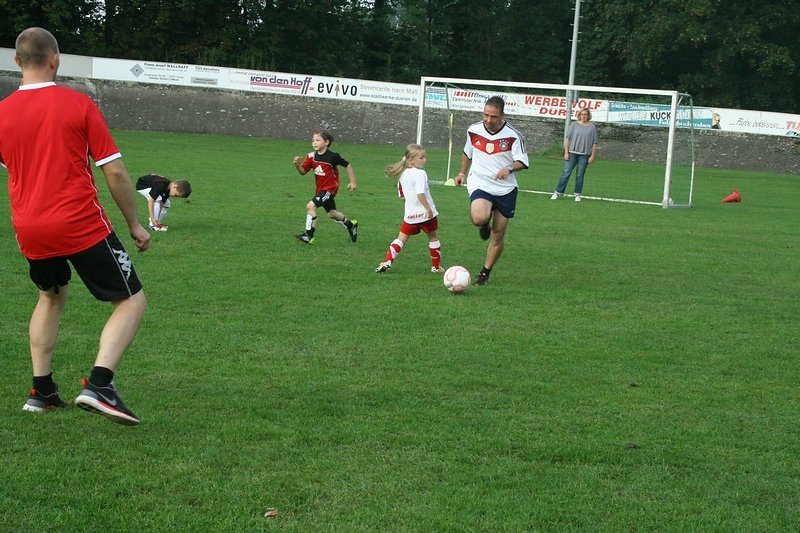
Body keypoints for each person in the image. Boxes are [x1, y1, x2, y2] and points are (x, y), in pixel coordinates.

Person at [0, 27, 150, 425]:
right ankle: (100, 384)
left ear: (17, 61)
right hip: (78, 222)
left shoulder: (1, 114)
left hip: (30, 227)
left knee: (50, 296)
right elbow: (114, 171)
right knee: (132, 300)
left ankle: (42, 391)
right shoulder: (78, 104)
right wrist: (135, 224)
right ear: (55, 59)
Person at [454, 96, 529, 286]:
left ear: (502, 115)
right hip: (481, 183)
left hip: (505, 189)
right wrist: (462, 172)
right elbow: (467, 153)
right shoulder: (473, 130)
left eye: (493, 116)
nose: (488, 119)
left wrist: (509, 168)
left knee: (498, 234)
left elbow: (522, 161)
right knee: (479, 218)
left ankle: (484, 273)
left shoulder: (514, 136)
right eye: (486, 115)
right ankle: (483, 222)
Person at [376, 144, 443, 274]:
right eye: (421, 157)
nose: (425, 160)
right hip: (426, 214)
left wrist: (412, 201)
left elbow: (402, 196)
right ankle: (435, 267)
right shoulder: (421, 173)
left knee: (401, 238)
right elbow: (420, 193)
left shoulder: (403, 175)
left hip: (410, 215)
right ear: (411, 160)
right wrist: (428, 209)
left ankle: (387, 261)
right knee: (433, 237)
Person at [292, 130, 358, 245]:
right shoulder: (311, 156)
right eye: (313, 140)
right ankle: (351, 225)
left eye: (318, 140)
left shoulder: (333, 156)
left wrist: (353, 182)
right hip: (320, 189)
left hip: (330, 188)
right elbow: (303, 172)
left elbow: (347, 165)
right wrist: (298, 166)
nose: (314, 142)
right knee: (332, 213)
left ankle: (309, 235)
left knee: (310, 206)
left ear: (326, 142)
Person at [550, 108, 598, 202]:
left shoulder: (592, 127)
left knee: (580, 175)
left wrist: (592, 156)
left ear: (588, 116)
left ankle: (577, 194)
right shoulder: (574, 125)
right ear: (579, 115)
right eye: (582, 114)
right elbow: (568, 139)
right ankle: (558, 192)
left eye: (585, 114)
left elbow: (594, 142)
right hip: (572, 153)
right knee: (566, 173)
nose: (583, 116)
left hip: (584, 155)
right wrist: (566, 152)